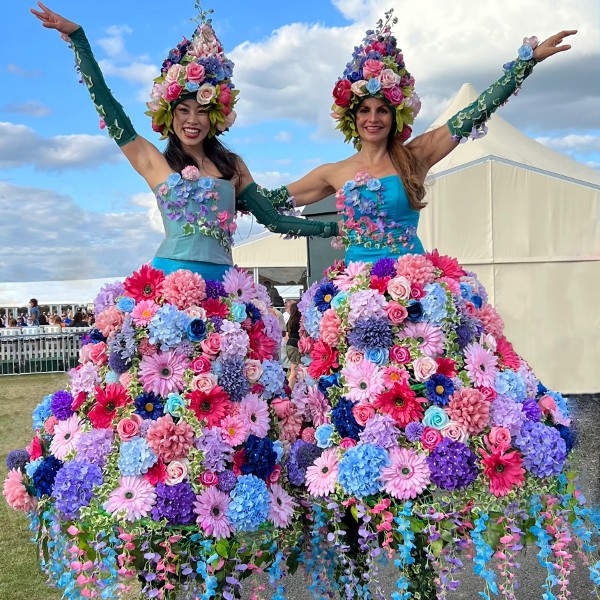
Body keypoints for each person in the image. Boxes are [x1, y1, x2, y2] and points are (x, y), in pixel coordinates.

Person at [7, 4, 337, 598]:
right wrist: (78, 41)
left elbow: (271, 216)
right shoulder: (155, 161)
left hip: (226, 308)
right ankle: (158, 539)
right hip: (163, 302)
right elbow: (108, 111)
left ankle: (215, 530)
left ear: (215, 113)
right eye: (181, 109)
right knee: (148, 408)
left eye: (200, 110)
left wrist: (334, 231)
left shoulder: (233, 168)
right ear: (170, 111)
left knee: (229, 416)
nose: (190, 119)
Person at [267, 13, 595, 598]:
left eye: (382, 109)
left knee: (437, 394)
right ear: (351, 114)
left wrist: (524, 62)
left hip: (415, 295)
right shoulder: (332, 173)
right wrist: (224, 180)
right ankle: (362, 513)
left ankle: (435, 500)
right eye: (364, 108)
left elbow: (472, 117)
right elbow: (268, 207)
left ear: (395, 114)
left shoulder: (414, 157)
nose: (373, 118)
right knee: (351, 410)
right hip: (354, 307)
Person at [285, 301, 302, 389]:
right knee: (293, 372)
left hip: (289, 345)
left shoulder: (290, 321)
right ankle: (289, 392)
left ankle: (287, 387)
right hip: (295, 346)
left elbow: (286, 335)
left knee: (290, 369)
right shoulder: (299, 321)